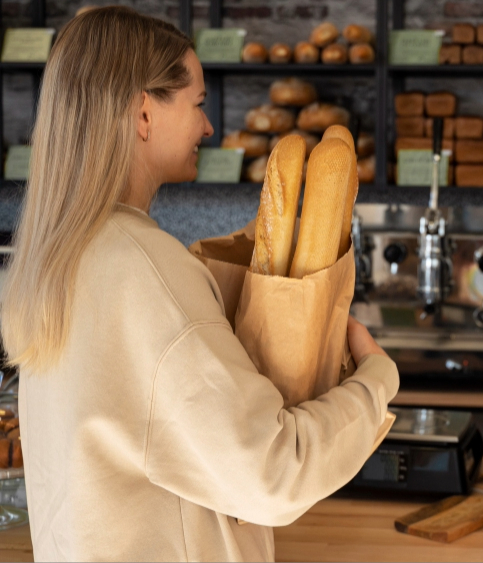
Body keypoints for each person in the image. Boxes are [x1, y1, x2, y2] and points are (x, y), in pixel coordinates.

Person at [0, 8, 398, 561]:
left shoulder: (54, 261)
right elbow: (273, 474)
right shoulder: (144, 268)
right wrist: (376, 382)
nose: (208, 128)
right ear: (143, 112)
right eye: (198, 104)